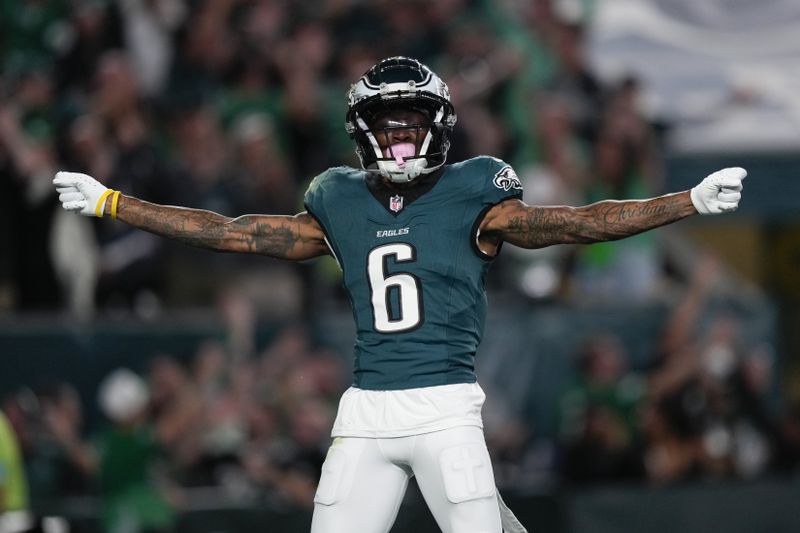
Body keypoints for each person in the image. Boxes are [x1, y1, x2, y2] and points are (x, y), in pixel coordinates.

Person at [52, 57, 745, 533]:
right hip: (365, 414)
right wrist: (114, 202)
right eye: (390, 124)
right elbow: (227, 232)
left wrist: (683, 201)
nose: (402, 135)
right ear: (363, 132)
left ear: (437, 124)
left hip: (445, 410)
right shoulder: (338, 199)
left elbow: (574, 223)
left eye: (412, 122)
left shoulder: (475, 189)